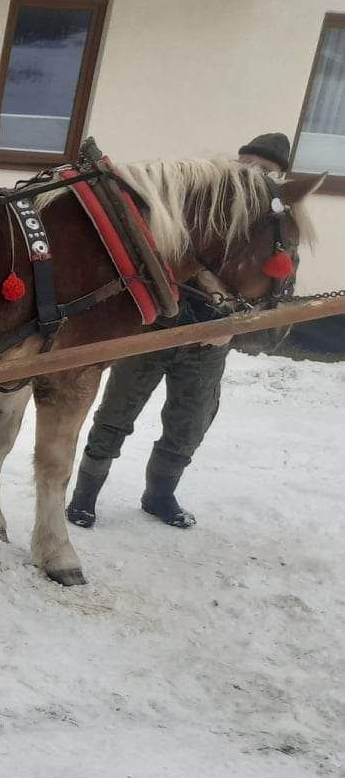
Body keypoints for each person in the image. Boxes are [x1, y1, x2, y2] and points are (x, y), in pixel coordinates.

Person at [65, 132, 292, 531]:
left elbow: (275, 309)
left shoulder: (272, 237)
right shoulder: (199, 211)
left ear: (281, 181)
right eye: (246, 165)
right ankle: (85, 494)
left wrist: (232, 334)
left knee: (189, 424)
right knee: (115, 415)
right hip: (154, 331)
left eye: (265, 171)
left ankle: (159, 495)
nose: (252, 175)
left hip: (207, 346)